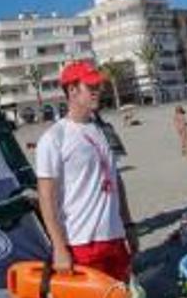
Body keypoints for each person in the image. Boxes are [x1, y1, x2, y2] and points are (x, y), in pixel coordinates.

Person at [35, 61, 139, 282]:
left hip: (115, 237)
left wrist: (128, 224)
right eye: (90, 87)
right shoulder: (54, 138)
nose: (97, 91)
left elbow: (116, 180)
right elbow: (46, 197)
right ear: (72, 90)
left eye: (98, 86)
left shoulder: (102, 129)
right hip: (81, 243)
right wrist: (59, 247)